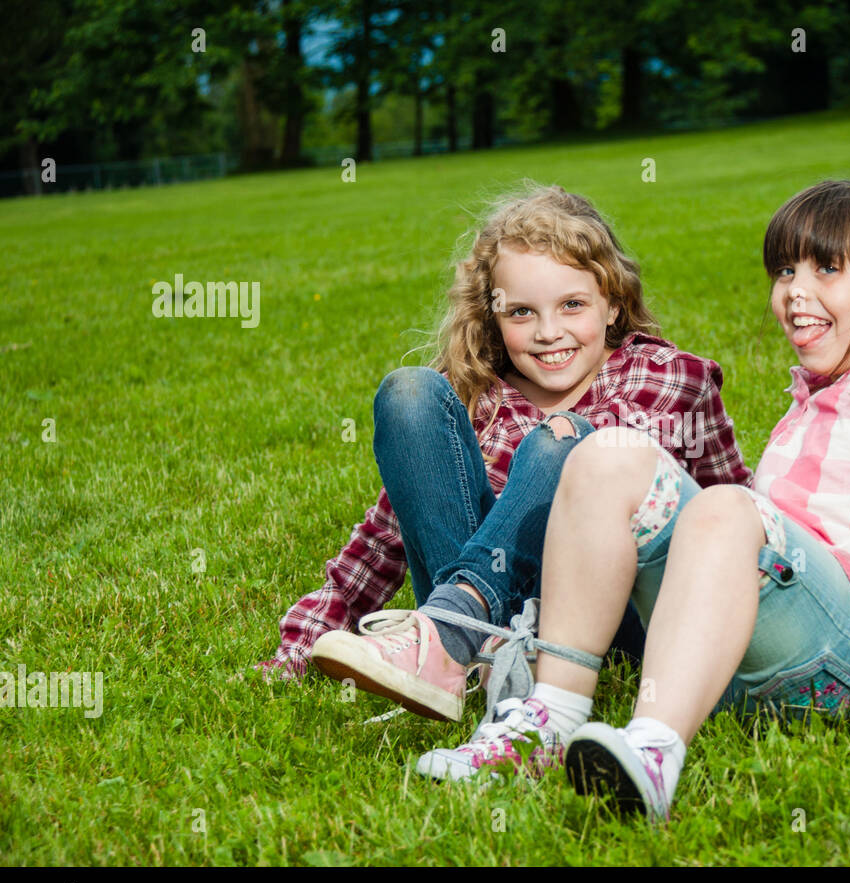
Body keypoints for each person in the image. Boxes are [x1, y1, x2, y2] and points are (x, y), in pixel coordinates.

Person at [419, 180, 850, 821]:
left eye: (827, 267)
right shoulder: (816, 399)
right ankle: (545, 724)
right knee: (603, 455)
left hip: (845, 661)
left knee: (725, 506)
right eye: (786, 269)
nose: (796, 290)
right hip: (736, 664)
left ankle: (654, 749)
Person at [259, 184, 752, 725]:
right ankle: (472, 654)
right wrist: (301, 646)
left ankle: (451, 639)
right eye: (521, 312)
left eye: (572, 305)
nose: (548, 333)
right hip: (494, 619)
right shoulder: (476, 396)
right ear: (492, 317)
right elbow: (385, 538)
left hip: (609, 620)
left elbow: (739, 506)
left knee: (566, 443)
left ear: (612, 304)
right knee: (409, 393)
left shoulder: (668, 375)